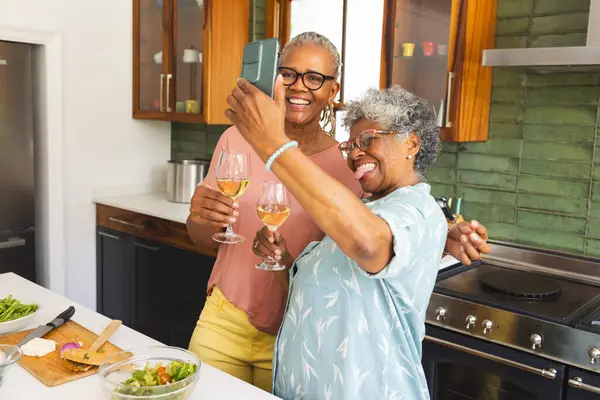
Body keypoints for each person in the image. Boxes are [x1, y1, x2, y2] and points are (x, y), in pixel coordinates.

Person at [186, 32, 489, 392]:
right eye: (288, 74)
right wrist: (201, 218)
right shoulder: (235, 139)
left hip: (289, 335)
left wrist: (441, 228)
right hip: (233, 320)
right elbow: (202, 234)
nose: (299, 86)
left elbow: (381, 229)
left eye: (314, 78)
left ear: (333, 90)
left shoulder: (352, 169)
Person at [227, 80, 446, 398]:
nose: (355, 153)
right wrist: (287, 262)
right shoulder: (366, 209)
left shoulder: (418, 209)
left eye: (368, 140)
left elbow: (369, 245)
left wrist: (274, 145)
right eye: (350, 145)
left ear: (411, 144)